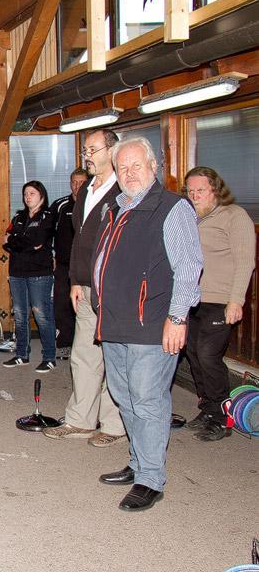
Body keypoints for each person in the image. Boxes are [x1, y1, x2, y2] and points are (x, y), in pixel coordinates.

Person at [93, 136, 202, 512]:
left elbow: (188, 267)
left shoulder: (172, 207)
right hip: (115, 323)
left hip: (151, 324)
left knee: (147, 399)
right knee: (123, 396)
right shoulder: (116, 207)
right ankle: (139, 461)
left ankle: (151, 478)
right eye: (122, 168)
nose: (129, 173)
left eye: (136, 166)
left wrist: (178, 318)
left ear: (154, 167)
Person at [44, 130, 126, 448]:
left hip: (114, 288)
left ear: (112, 150)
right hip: (86, 287)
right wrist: (76, 280)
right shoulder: (88, 190)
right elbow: (79, 241)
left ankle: (114, 424)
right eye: (85, 150)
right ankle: (80, 420)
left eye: (93, 149)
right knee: (83, 356)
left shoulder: (124, 190)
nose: (87, 155)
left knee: (115, 359)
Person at [182, 166, 255, 441]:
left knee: (208, 355)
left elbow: (245, 261)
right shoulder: (191, 217)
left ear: (215, 189)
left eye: (200, 190)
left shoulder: (235, 216)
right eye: (190, 191)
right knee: (192, 353)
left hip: (221, 300)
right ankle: (209, 408)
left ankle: (223, 417)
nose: (195, 195)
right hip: (194, 299)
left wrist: (236, 301)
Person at [1, 180, 57, 372]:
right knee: (20, 315)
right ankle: (21, 355)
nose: (27, 197)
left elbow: (37, 241)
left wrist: (17, 241)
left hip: (39, 273)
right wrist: (22, 242)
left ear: (41, 195)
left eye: (32, 193)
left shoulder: (48, 216)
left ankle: (49, 357)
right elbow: (6, 241)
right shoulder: (18, 217)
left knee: (41, 315)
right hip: (17, 272)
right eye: (25, 193)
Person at [48, 168, 89, 360]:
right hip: (64, 265)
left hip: (87, 265)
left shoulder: (94, 203)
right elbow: (47, 232)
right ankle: (64, 344)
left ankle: (85, 347)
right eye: (74, 182)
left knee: (86, 305)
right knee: (62, 304)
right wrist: (51, 255)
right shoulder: (60, 205)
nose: (77, 186)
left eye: (81, 182)